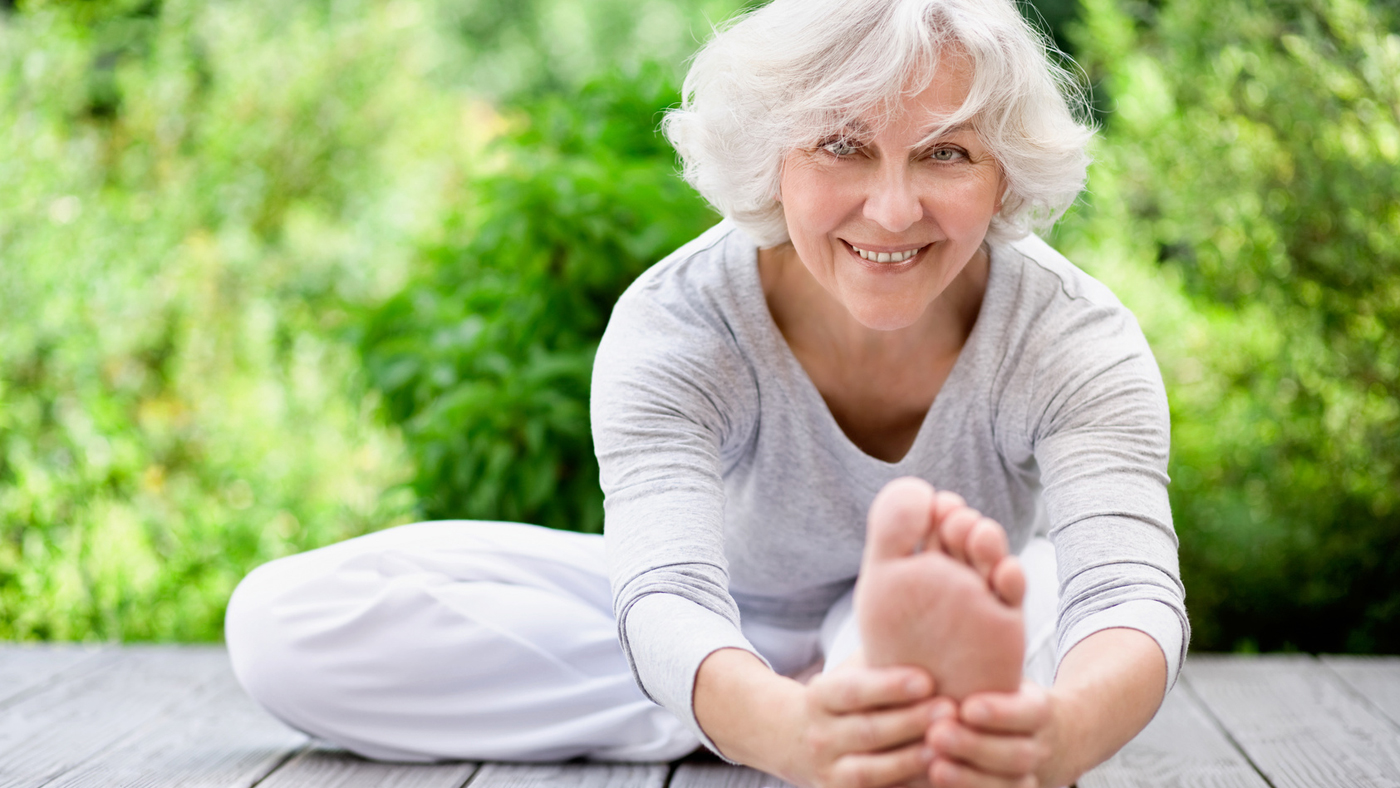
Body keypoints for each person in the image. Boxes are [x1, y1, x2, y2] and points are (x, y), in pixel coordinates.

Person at [224, 0, 1189, 785]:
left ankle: (853, 695)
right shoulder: (679, 324)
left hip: (976, 592)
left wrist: (1062, 733)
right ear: (770, 155)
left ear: (1003, 172)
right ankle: (831, 707)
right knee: (280, 624)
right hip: (725, 607)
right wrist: (777, 721)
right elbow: (667, 587)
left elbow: (1129, 591)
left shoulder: (1072, 338)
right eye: (842, 147)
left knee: (1046, 587)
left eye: (946, 152)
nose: (893, 210)